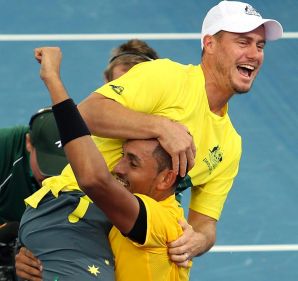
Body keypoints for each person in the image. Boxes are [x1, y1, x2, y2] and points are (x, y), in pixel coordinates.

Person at [16, 0, 283, 277]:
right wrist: (160, 126)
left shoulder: (229, 143)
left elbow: (205, 224)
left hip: (133, 231)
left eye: (260, 46)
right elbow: (86, 114)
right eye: (243, 42)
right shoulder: (166, 77)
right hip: (77, 211)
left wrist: (198, 240)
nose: (254, 54)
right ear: (210, 44)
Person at [0, 107, 67, 280]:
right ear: (29, 143)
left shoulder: (95, 164)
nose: (54, 182)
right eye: (49, 168)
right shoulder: (4, 150)